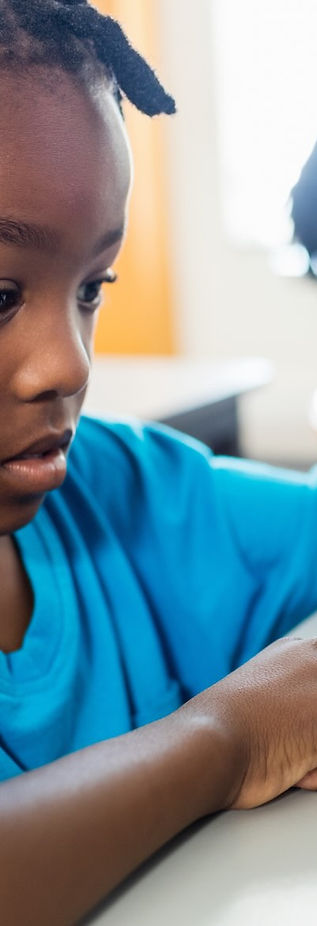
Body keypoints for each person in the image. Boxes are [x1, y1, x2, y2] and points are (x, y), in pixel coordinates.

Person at [1, 1, 317, 922]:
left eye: (92, 288)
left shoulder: (118, 493)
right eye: (0, 293)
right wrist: (226, 737)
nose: (68, 365)